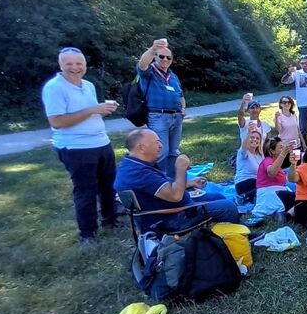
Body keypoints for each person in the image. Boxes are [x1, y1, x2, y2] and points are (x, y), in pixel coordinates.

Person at [42, 47, 119, 246]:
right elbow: (57, 121)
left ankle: (111, 220)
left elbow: (88, 113)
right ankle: (88, 234)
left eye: (79, 63)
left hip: (101, 142)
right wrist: (93, 109)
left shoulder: (88, 85)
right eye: (69, 64)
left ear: (85, 65)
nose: (75, 67)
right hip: (76, 148)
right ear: (60, 65)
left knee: (109, 185)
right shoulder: (54, 88)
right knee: (86, 190)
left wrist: (102, 110)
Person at [114, 128, 239, 232]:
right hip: (167, 219)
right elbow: (175, 196)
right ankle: (235, 239)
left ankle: (221, 235)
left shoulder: (132, 165)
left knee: (217, 196)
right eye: (156, 142)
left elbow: (163, 189)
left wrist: (190, 183)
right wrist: (180, 168)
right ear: (141, 148)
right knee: (228, 207)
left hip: (168, 209)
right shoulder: (139, 173)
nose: (161, 145)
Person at [137, 38, 186, 176]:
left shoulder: (173, 76)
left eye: (168, 57)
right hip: (158, 116)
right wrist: (153, 49)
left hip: (176, 117)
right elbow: (142, 64)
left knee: (173, 151)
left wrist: (182, 109)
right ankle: (157, 180)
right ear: (155, 57)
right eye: (162, 56)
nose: (165, 59)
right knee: (160, 151)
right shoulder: (149, 72)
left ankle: (171, 179)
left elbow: (180, 95)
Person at [253, 137, 296, 220]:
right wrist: (283, 153)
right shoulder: (267, 160)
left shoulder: (276, 162)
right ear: (272, 151)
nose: (283, 149)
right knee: (302, 198)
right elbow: (271, 172)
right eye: (281, 147)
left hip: (277, 194)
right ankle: (286, 216)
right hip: (273, 195)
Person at [234, 130, 263, 204]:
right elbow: (243, 148)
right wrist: (249, 132)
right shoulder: (243, 153)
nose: (255, 140)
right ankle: (244, 197)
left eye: (257, 138)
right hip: (243, 183)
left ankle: (251, 197)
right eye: (252, 137)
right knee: (263, 184)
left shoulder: (260, 155)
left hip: (256, 183)